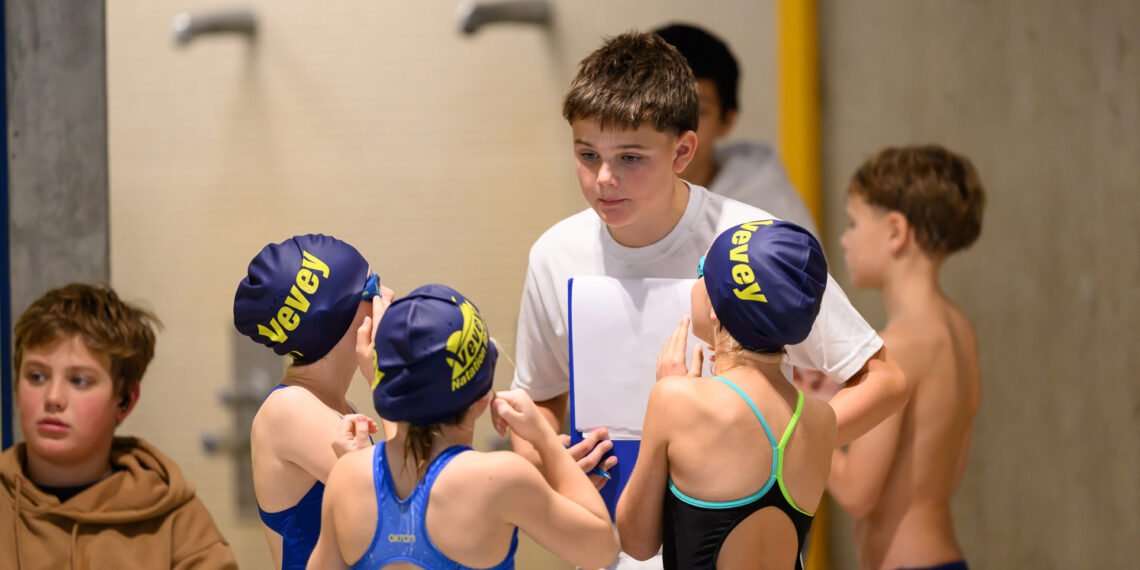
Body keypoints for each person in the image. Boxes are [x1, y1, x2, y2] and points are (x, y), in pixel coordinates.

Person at [510, 30, 906, 568]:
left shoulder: (749, 241)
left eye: (630, 157)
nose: (604, 178)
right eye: (587, 154)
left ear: (683, 150)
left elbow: (882, 378)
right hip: (613, 549)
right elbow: (536, 400)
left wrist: (784, 445)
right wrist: (552, 463)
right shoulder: (555, 254)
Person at [306, 284, 619, 569]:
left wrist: (382, 382)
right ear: (483, 396)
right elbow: (601, 549)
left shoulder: (346, 476)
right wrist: (544, 439)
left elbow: (410, 485)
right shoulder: (500, 479)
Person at [617, 220, 838, 570]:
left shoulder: (675, 400)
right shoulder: (822, 419)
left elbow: (637, 542)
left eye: (702, 270)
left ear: (716, 306)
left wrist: (665, 396)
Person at [824, 145, 984, 570]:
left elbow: (858, 494)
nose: (844, 238)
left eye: (854, 223)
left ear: (896, 231)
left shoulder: (895, 348)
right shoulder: (958, 329)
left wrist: (793, 420)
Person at [0, 283, 237, 569]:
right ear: (16, 387)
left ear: (125, 400)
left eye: (79, 381)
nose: (52, 398)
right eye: (37, 376)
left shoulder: (178, 522)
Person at [234, 233, 394, 570]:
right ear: (336, 318)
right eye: (373, 287)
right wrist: (386, 378)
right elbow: (407, 507)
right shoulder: (289, 409)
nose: (386, 297)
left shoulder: (329, 404)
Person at [653, 23, 817, 234]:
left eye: (698, 111)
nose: (676, 128)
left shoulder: (768, 214)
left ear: (726, 121)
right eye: (659, 107)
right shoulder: (610, 183)